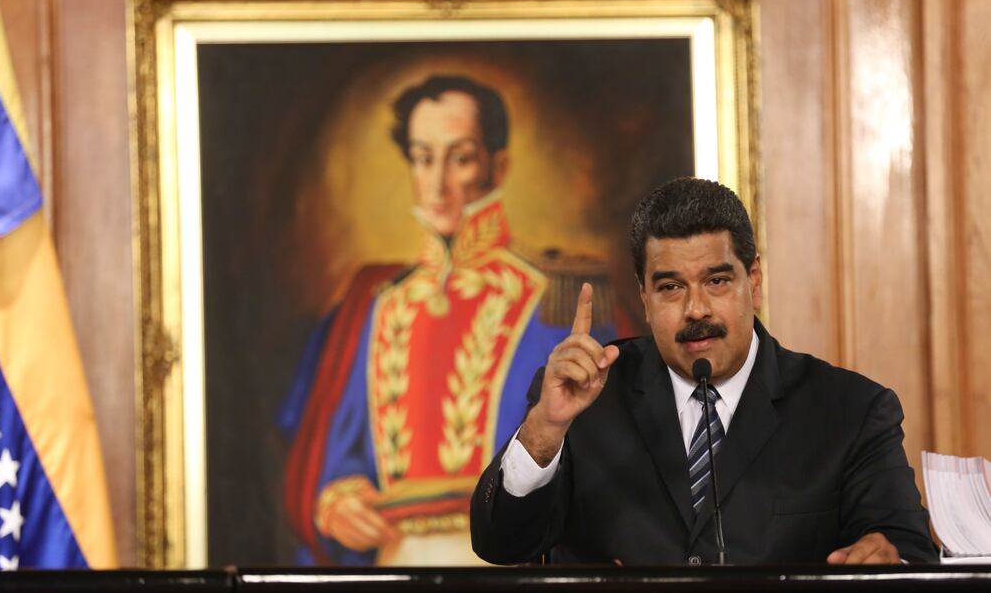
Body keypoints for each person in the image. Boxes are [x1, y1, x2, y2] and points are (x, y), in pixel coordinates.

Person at [471, 177, 938, 565]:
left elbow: (911, 551)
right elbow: (499, 544)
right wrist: (544, 429)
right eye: (671, 288)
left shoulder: (851, 412)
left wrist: (886, 559)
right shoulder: (585, 398)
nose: (696, 309)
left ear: (753, 280)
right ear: (644, 299)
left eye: (716, 281)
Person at [279, 74, 619, 566]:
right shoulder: (377, 304)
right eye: (423, 158)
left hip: (512, 563)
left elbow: (603, 456)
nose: (437, 184)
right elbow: (339, 454)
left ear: (497, 166)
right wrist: (340, 499)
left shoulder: (557, 297)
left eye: (459, 159)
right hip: (394, 564)